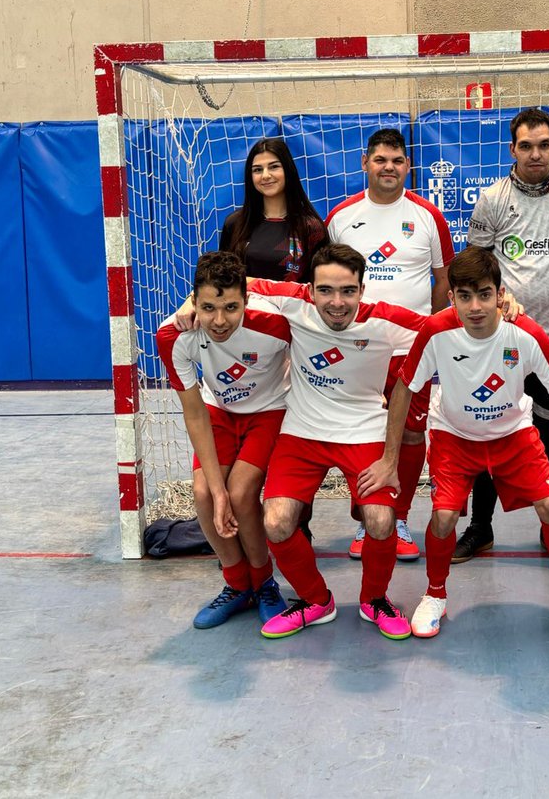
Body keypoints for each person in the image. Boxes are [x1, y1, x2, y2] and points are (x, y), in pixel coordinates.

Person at [359, 246, 549, 643]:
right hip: (454, 438)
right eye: (464, 296)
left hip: (513, 437)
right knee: (443, 518)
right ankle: (435, 594)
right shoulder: (436, 331)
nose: (475, 306)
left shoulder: (525, 332)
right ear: (452, 296)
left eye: (485, 294)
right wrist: (390, 460)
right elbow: (405, 389)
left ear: (500, 293)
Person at [246, 244, 428, 640]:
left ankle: (374, 600)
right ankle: (315, 601)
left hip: (364, 431)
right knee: (275, 522)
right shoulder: (292, 302)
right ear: (310, 289)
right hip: (302, 432)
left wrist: (508, 306)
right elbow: (231, 286)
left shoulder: (385, 320)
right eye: (326, 290)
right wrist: (191, 305)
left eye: (348, 291)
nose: (337, 302)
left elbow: (450, 325)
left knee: (382, 522)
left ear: (362, 290)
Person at [454, 107, 549, 561]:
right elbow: (474, 267)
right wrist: (501, 303)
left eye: (544, 144)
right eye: (526, 145)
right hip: (500, 340)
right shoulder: (494, 199)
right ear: (512, 149)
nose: (535, 153)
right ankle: (481, 527)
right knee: (487, 428)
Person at [326, 127, 455, 561]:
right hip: (357, 349)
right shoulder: (341, 217)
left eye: (397, 161)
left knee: (412, 433)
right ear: (365, 163)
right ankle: (367, 518)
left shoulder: (427, 217)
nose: (389, 168)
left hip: (410, 351)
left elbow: (443, 280)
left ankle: (397, 518)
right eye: (380, 159)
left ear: (408, 166)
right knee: (361, 434)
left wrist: (429, 332)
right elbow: (328, 284)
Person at [155, 251, 291, 629]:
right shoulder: (173, 335)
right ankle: (237, 584)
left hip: (269, 410)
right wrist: (215, 493)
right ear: (194, 302)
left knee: (242, 493)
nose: (219, 320)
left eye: (231, 307)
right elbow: (194, 412)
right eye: (209, 307)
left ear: (246, 300)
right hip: (216, 411)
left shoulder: (275, 322)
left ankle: (264, 582)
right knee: (203, 494)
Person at [221, 136, 328, 282]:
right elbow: (223, 280)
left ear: (288, 170)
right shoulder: (235, 223)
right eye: (257, 170)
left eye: (274, 167)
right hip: (248, 305)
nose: (265, 175)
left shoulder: (311, 227)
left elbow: (321, 285)